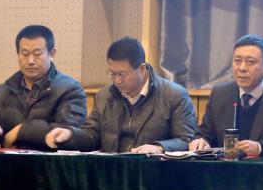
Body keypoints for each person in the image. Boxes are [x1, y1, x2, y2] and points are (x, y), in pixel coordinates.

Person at [45, 36, 197, 154]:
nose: (117, 80)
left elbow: (187, 140)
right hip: (113, 172)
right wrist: (70, 135)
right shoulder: (105, 95)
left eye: (122, 74)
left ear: (142, 69)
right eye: (112, 73)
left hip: (153, 173)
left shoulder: (174, 95)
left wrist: (159, 147)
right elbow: (92, 135)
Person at [0, 25, 86, 150]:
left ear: (51, 54)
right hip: (9, 161)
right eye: (25, 54)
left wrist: (20, 131)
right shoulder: (6, 89)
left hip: (49, 161)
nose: (30, 61)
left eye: (37, 54)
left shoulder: (70, 89)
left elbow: (66, 132)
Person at [188, 34, 263, 157]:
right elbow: (205, 133)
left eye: (250, 62)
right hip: (224, 167)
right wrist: (200, 141)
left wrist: (260, 148)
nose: (242, 68)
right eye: (237, 61)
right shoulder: (219, 94)